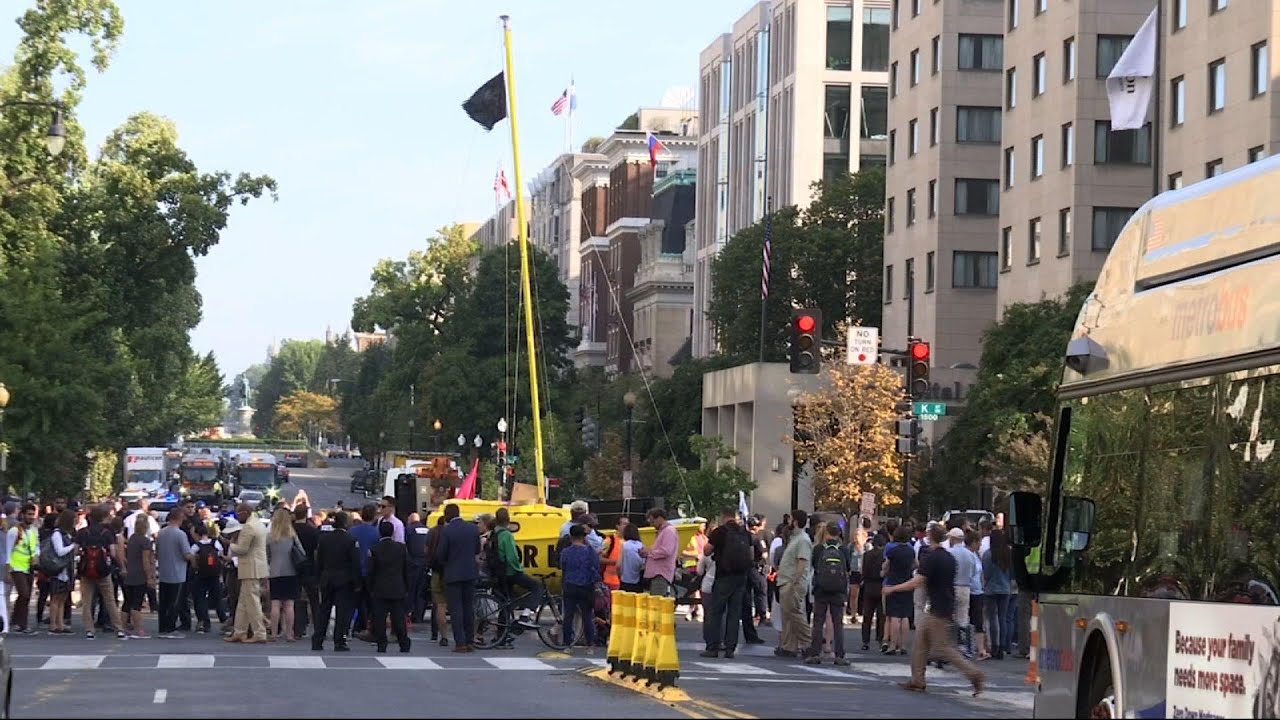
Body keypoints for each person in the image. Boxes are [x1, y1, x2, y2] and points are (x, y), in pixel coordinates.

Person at [884, 523, 985, 695]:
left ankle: (974, 674)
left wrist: (892, 588)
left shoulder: (931, 558)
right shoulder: (949, 557)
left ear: (930, 537)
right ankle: (917, 680)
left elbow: (918, 581)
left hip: (937, 608)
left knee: (942, 648)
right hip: (944, 604)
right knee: (920, 645)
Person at [701, 508, 757, 659]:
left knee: (716, 611)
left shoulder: (720, 531)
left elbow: (707, 551)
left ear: (723, 517)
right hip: (741, 577)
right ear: (735, 517)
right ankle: (730, 648)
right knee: (734, 613)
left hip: (723, 576)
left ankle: (712, 647)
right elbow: (750, 555)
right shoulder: (744, 533)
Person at [75, 504, 128, 639]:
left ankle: (89, 629)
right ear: (103, 518)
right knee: (109, 599)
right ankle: (119, 628)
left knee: (87, 600)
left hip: (86, 569)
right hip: (103, 569)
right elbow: (114, 552)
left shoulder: (82, 532)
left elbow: (75, 550)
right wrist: (121, 566)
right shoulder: (107, 533)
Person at [313, 510, 360, 652]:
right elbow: (355, 563)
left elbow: (319, 561)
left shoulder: (324, 539)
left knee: (324, 611)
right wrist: (357, 582)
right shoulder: (350, 540)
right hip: (344, 580)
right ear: (346, 523)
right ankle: (339, 641)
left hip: (327, 578)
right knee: (342, 612)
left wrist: (319, 578)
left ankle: (318, 640)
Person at [436, 503, 480, 652]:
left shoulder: (447, 532)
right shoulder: (472, 529)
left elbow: (441, 553)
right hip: (470, 572)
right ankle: (470, 641)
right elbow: (477, 549)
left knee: (456, 610)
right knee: (469, 608)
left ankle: (460, 643)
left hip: (453, 574)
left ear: (448, 515)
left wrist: (445, 563)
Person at [806, 520, 851, 666]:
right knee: (837, 622)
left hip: (821, 589)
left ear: (827, 532)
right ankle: (839, 655)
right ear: (839, 534)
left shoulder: (819, 548)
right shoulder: (843, 549)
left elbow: (813, 565)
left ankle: (815, 653)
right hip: (838, 590)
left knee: (818, 621)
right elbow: (848, 567)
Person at [491, 507, 542, 630]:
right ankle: (525, 615)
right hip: (510, 572)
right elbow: (512, 557)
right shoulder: (506, 535)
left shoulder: (494, 534)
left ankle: (502, 635)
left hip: (499, 572)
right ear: (508, 520)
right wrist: (519, 569)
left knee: (507, 602)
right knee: (537, 587)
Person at [228, 502, 269, 643]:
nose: (237, 517)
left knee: (252, 602)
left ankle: (259, 632)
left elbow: (242, 549)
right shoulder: (258, 524)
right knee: (244, 602)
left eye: (238, 514)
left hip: (250, 567)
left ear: (245, 512)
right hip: (257, 566)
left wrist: (230, 544)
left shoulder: (249, 527)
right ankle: (240, 631)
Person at [368, 520, 411, 653]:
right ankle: (403, 642)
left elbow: (371, 570)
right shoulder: (401, 548)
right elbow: (406, 569)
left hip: (380, 587)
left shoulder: (374, 549)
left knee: (379, 618)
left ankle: (382, 643)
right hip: (397, 587)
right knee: (398, 617)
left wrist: (371, 587)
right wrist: (406, 586)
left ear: (380, 532)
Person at [775, 510, 812, 658]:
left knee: (795, 614)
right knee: (788, 615)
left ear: (795, 521)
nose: (788, 521)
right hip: (786, 581)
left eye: (790, 519)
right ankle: (789, 646)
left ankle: (809, 642)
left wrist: (794, 581)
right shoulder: (795, 538)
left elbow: (802, 562)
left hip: (792, 583)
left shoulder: (803, 539)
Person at [558, 524, 600, 648]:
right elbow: (596, 567)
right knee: (587, 615)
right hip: (586, 585)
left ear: (571, 536)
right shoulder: (589, 551)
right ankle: (590, 642)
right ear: (583, 536)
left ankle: (567, 642)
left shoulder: (566, 552)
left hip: (570, 585)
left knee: (568, 615)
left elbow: (563, 567)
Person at [266, 506, 303, 642]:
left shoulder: (270, 536)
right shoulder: (292, 536)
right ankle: (289, 634)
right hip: (291, 571)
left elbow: (266, 555)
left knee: (275, 604)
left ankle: (274, 633)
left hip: (274, 571)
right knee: (289, 604)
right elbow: (301, 552)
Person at [122, 512, 156, 638]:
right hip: (139, 574)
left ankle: (123, 627)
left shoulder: (131, 539)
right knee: (137, 603)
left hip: (130, 572)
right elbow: (145, 560)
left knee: (127, 602)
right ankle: (138, 630)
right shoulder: (145, 541)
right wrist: (149, 576)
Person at [44, 510, 77, 635]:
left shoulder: (67, 534)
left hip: (66, 569)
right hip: (59, 569)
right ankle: (53, 624)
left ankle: (60, 623)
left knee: (62, 598)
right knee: (56, 598)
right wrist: (73, 547)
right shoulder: (57, 534)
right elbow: (60, 551)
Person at [639, 507, 677, 596]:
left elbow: (666, 551)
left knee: (657, 602)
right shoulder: (662, 532)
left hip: (661, 574)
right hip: (657, 574)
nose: (652, 525)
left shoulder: (669, 531)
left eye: (653, 521)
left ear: (659, 518)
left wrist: (649, 553)